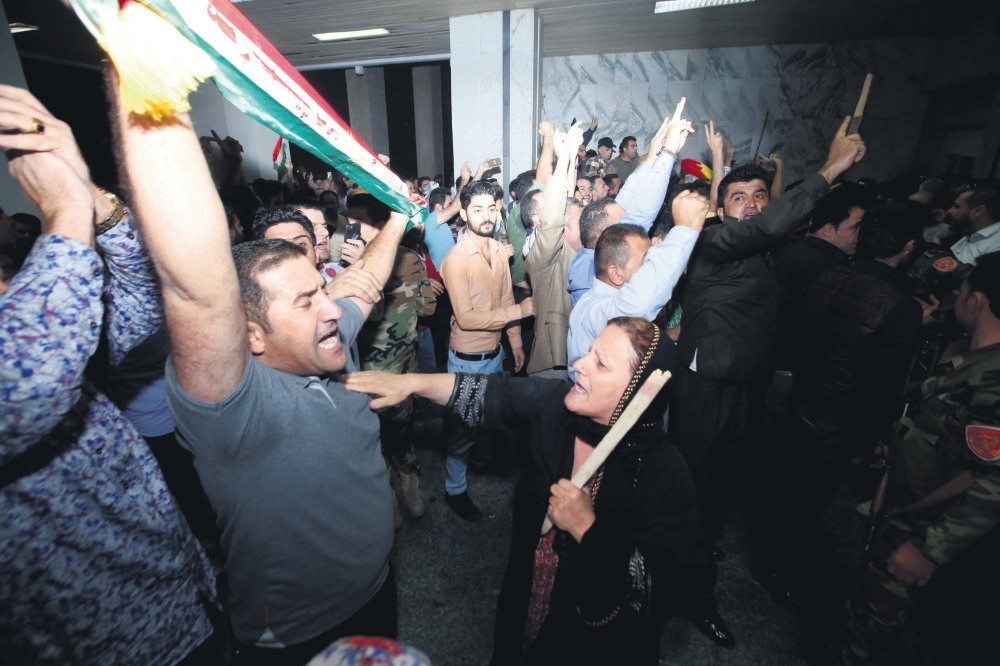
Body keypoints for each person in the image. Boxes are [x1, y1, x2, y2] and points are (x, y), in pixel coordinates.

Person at [109, 69, 406, 663]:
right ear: (251, 334)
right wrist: (146, 75)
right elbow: (195, 286)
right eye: (306, 301)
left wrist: (399, 212)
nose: (332, 308)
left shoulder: (321, 333)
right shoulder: (234, 407)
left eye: (321, 291)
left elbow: (365, 282)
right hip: (297, 636)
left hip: (376, 592)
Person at [0, 83, 219, 664]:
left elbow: (142, 305)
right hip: (106, 640)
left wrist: (92, 197)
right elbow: (27, 386)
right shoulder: (29, 361)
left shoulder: (44, 311)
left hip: (176, 593)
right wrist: (65, 212)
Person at [345, 317, 709, 665]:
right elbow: (491, 393)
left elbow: (676, 585)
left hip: (598, 641)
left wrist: (587, 529)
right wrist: (413, 384)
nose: (579, 364)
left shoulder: (663, 469)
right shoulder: (558, 407)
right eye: (589, 352)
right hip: (528, 594)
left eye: (601, 364)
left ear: (638, 391)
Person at [843, 252, 1000, 664]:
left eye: (963, 290)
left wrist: (932, 550)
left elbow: (993, 482)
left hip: (926, 530)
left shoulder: (992, 383)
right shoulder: (971, 359)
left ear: (976, 301)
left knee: (879, 637)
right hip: (905, 509)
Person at [439, 179, 534, 520]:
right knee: (462, 430)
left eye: (492, 209)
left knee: (491, 420)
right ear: (463, 213)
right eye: (477, 209)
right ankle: (454, 491)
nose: (486, 216)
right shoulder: (456, 260)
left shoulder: (498, 250)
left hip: (495, 356)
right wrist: (519, 314)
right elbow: (465, 318)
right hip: (467, 361)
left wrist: (516, 342)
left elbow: (506, 297)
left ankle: (483, 463)